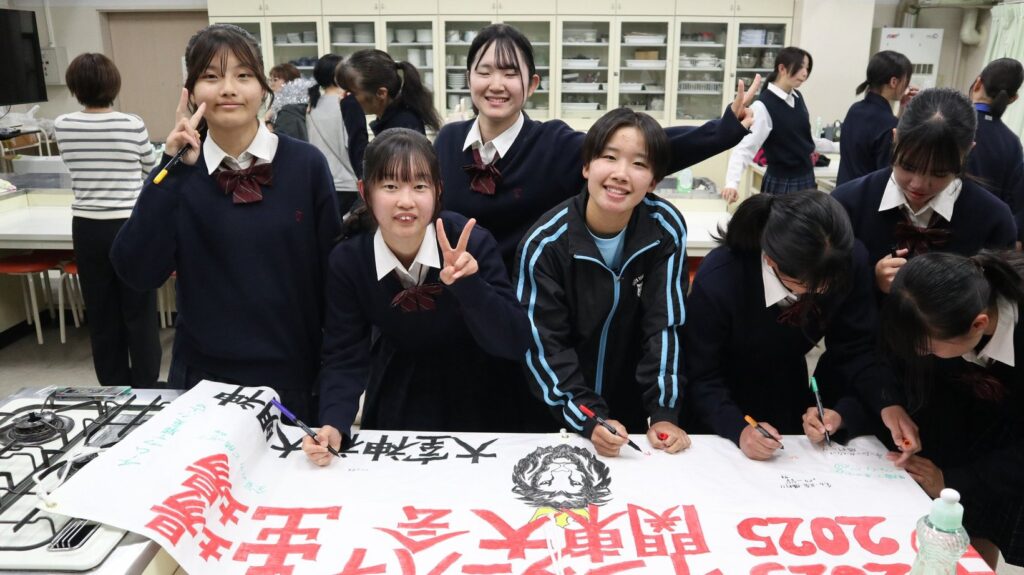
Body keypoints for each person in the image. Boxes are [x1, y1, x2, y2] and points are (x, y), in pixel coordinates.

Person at [111, 24, 341, 421]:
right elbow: (136, 270)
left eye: (243, 75)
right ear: (190, 92)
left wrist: (334, 382)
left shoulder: (306, 165)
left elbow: (333, 280)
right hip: (201, 379)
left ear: (263, 88)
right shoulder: (179, 173)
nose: (228, 89)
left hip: (291, 376)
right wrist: (170, 170)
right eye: (211, 77)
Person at [434, 23, 758, 273]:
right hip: (456, 297)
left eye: (509, 73)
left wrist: (724, 131)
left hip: (530, 305)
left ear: (531, 84)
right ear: (468, 78)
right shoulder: (448, 140)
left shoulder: (553, 144)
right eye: (484, 72)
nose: (496, 84)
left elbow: (640, 147)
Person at [304, 129, 531, 462]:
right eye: (390, 186)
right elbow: (344, 354)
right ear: (365, 192)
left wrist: (470, 286)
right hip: (400, 388)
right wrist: (334, 424)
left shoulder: (469, 242)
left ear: (438, 191)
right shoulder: (350, 260)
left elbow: (515, 341)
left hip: (481, 390)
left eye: (420, 186)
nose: (406, 201)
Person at [682, 190, 920, 461]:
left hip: (787, 391)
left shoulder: (846, 259)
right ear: (771, 261)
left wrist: (885, 402)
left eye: (830, 282)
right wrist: (738, 428)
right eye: (808, 285)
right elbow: (701, 373)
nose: (823, 291)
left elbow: (856, 347)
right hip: (716, 404)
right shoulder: (722, 277)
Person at [515, 108, 691, 457]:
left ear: (653, 181)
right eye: (609, 157)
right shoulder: (545, 244)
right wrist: (588, 417)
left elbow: (664, 326)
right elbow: (544, 346)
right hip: (560, 415)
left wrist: (664, 412)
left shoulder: (665, 228)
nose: (620, 174)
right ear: (586, 166)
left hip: (633, 411)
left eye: (639, 164)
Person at [882, 250, 1024, 569]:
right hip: (970, 431)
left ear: (979, 324)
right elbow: (895, 361)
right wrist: (892, 406)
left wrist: (954, 480)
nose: (920, 354)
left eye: (928, 347)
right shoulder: (949, 297)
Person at [832, 88, 1017, 296]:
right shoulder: (847, 204)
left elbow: (1002, 300)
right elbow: (823, 289)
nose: (918, 184)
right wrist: (870, 278)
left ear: (966, 153)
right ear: (895, 138)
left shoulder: (994, 220)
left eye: (939, 173)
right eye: (908, 167)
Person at [53, 52, 162, 388]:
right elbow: (152, 169)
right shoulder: (131, 124)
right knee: (139, 310)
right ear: (114, 84)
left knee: (101, 312)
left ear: (75, 87)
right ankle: (145, 385)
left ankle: (113, 386)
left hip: (87, 226)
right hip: (129, 225)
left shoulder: (63, 125)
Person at [721, 46, 839, 201]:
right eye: (801, 67)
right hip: (783, 183)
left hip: (806, 177)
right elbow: (745, 147)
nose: (805, 73)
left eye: (807, 68)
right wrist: (732, 183)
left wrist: (838, 147)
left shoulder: (797, 97)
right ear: (782, 68)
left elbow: (805, 140)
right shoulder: (763, 106)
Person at [965, 58, 1024, 242]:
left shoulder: (951, 123)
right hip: (987, 240)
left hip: (937, 232)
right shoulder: (1013, 144)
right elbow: (1016, 204)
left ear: (977, 83)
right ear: (1013, 99)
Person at [836, 50, 915, 185]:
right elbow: (887, 175)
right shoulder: (887, 123)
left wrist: (902, 108)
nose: (907, 86)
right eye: (906, 80)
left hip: (844, 190)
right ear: (894, 82)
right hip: (867, 194)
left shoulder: (855, 109)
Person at [306, 53, 367, 216]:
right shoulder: (347, 104)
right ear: (338, 76)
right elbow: (355, 144)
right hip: (348, 183)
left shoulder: (312, 106)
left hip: (322, 181)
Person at [336, 49, 442, 136]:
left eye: (352, 93)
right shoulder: (390, 119)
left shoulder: (402, 127)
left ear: (381, 93)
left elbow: (365, 157)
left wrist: (354, 121)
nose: (344, 97)